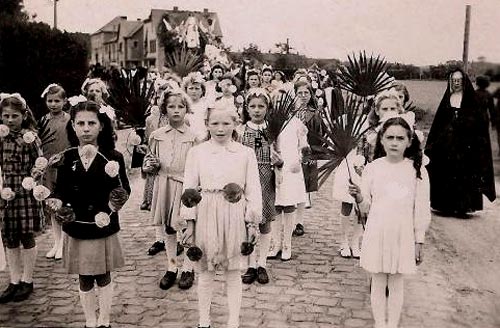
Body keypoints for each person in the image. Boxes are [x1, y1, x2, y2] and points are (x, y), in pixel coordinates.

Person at [47, 100, 130, 328]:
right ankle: (90, 320)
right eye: (80, 123)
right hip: (78, 225)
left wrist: (111, 209)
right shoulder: (67, 157)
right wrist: (56, 201)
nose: (86, 128)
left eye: (91, 123)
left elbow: (123, 190)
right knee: (84, 277)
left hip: (102, 225)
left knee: (103, 274)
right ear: (72, 126)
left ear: (101, 126)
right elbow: (60, 189)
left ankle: (104, 319)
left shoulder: (113, 157)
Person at [180, 106, 262, 328]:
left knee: (233, 271)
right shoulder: (197, 152)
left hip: (234, 213)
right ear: (207, 124)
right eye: (215, 123)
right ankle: (204, 320)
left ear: (235, 124)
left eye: (226, 123)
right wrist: (190, 223)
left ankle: (233, 320)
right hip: (206, 211)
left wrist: (252, 222)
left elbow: (253, 189)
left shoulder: (245, 153)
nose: (220, 129)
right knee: (206, 272)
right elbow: (188, 188)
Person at [349, 116, 431, 328]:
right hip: (377, 231)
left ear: (409, 141)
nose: (395, 142)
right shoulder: (373, 168)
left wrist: (418, 240)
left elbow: (421, 208)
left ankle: (392, 324)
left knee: (396, 282)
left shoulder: (417, 171)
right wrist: (358, 196)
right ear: (382, 141)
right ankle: (380, 323)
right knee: (377, 281)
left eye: (400, 138)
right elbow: (366, 207)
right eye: (390, 137)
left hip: (403, 234)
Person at [425, 68, 496, 218]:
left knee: (465, 175)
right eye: (453, 80)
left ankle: (463, 207)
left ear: (464, 82)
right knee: (446, 173)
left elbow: (478, 124)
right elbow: (439, 124)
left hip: (466, 147)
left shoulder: (471, 100)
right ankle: (445, 206)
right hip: (447, 146)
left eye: (459, 80)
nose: (456, 83)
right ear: (450, 81)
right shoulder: (447, 99)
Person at [146, 89, 197, 291]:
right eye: (171, 106)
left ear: (187, 109)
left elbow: (199, 165)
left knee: (186, 227)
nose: (176, 110)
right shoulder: (157, 136)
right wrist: (148, 166)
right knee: (168, 227)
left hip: (186, 186)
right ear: (164, 109)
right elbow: (149, 162)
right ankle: (171, 266)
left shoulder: (195, 137)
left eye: (180, 106)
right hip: (164, 183)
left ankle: (188, 268)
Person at [0, 93, 44, 303]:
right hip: (5, 191)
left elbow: (40, 162)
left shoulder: (30, 137)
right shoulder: (1, 137)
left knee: (26, 235)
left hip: (25, 191)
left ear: (24, 115)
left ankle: (28, 279)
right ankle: (14, 281)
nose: (10, 120)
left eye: (14, 116)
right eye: (6, 116)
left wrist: (34, 176)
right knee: (9, 237)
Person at [239, 88, 278, 285]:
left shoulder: (272, 130)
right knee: (246, 222)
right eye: (252, 106)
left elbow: (281, 158)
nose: (257, 110)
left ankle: (262, 263)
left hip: (265, 177)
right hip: (245, 180)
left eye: (261, 106)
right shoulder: (240, 131)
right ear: (246, 108)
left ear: (267, 108)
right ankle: (249, 264)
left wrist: (279, 161)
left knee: (264, 222)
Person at [268, 112, 308, 261]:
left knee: (289, 203)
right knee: (276, 204)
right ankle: (276, 243)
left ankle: (287, 244)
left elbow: (304, 145)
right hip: (274, 164)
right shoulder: (269, 122)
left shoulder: (296, 122)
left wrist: (299, 160)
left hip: (291, 165)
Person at [39, 84, 71, 261]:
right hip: (49, 168)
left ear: (64, 101)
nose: (53, 104)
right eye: (50, 101)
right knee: (51, 205)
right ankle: (56, 241)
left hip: (65, 167)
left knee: (64, 205)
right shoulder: (43, 120)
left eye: (57, 100)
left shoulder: (69, 119)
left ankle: (65, 243)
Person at [293, 79, 323, 236]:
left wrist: (313, 154)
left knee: (304, 187)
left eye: (306, 93)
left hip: (308, 153)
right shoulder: (289, 112)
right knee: (291, 187)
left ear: (311, 95)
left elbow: (319, 135)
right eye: (300, 93)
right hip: (291, 152)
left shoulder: (315, 114)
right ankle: (291, 221)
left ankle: (300, 222)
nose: (303, 96)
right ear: (295, 94)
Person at [183, 72, 209, 141]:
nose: (194, 91)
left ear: (202, 91)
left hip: (203, 138)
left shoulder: (205, 106)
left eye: (197, 88)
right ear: (186, 90)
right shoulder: (183, 106)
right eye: (191, 88)